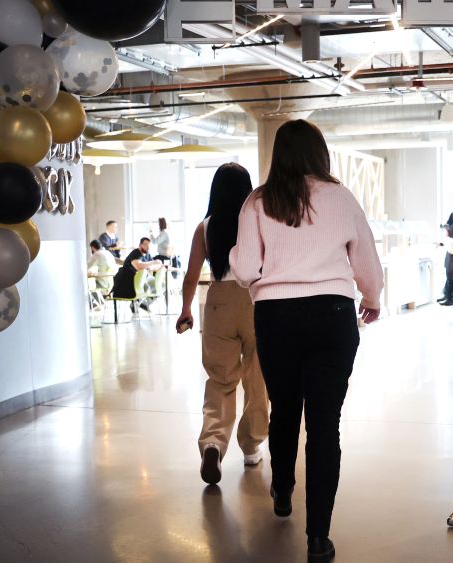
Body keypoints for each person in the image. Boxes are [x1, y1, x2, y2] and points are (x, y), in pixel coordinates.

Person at [230, 120, 383, 563]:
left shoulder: (258, 201)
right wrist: (371, 299)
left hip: (276, 316)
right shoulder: (341, 197)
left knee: (283, 410)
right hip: (333, 315)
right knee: (324, 426)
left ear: (278, 154)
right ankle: (318, 537)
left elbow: (244, 269)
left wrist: (258, 266)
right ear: (320, 153)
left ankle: (282, 491)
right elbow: (367, 260)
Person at [175, 164, 269, 486]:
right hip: (255, 300)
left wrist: (186, 310)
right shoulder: (257, 222)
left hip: (217, 304)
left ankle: (213, 442)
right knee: (258, 378)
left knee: (220, 379)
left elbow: (190, 276)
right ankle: (252, 446)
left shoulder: (205, 226)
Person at [112, 237, 162, 312]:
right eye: (145, 245)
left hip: (140, 281)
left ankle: (142, 303)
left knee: (160, 285)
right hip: (126, 282)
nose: (148, 247)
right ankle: (139, 303)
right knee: (148, 287)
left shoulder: (147, 254)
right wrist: (153, 263)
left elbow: (159, 265)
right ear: (140, 245)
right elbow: (138, 266)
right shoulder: (135, 253)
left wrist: (152, 266)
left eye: (149, 245)